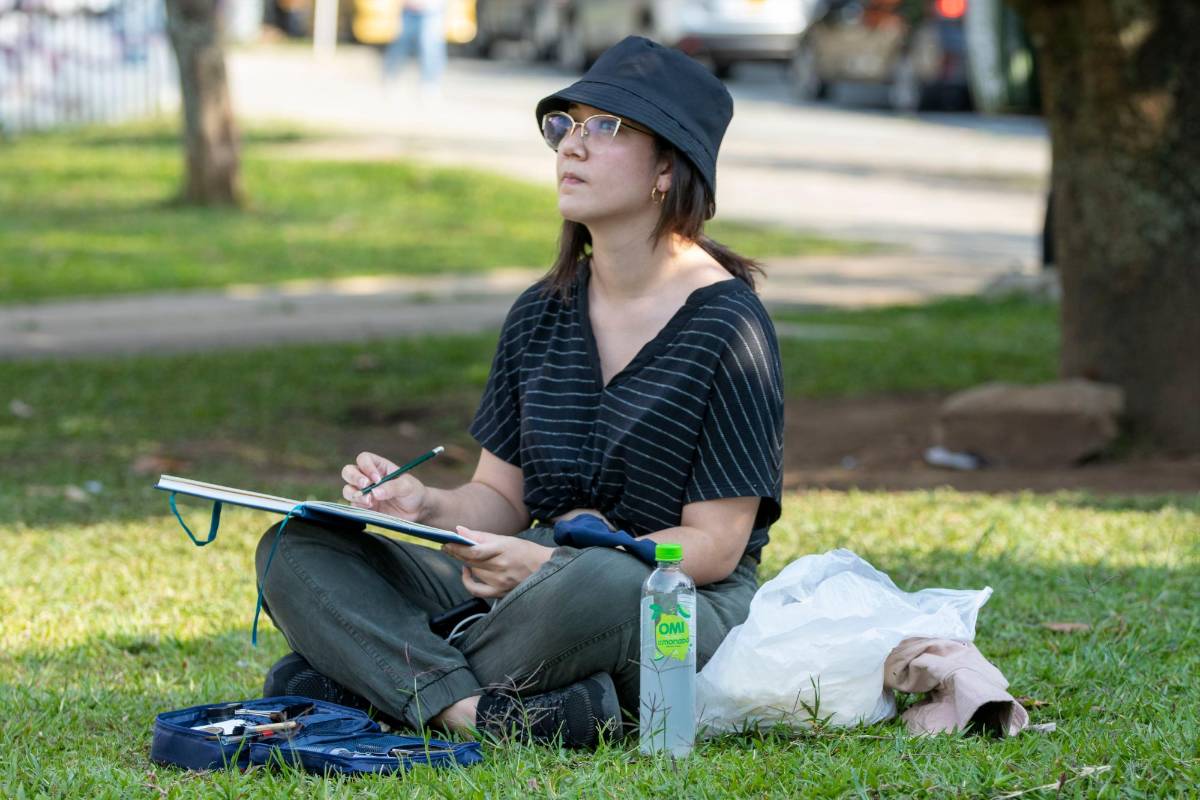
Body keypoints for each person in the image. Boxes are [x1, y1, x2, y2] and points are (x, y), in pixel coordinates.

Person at [256, 36, 784, 750]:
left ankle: (364, 686)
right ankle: (477, 713)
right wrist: (427, 506)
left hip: (663, 600)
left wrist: (551, 566)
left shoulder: (729, 324)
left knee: (603, 582)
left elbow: (714, 547)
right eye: (564, 125)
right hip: (520, 589)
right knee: (296, 547)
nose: (572, 145)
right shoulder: (541, 312)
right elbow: (499, 502)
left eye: (606, 127)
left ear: (669, 167)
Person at [381, 0, 447, 93]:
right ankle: (390, 76)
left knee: (430, 48)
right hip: (409, 9)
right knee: (399, 46)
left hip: (432, 10)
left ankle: (430, 83)